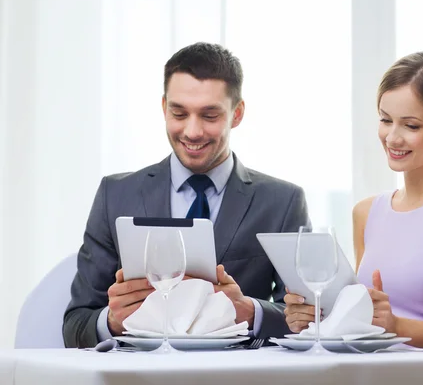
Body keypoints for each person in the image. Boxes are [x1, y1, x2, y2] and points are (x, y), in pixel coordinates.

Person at [63, 42, 309, 348]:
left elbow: (310, 319)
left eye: (209, 116)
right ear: (164, 107)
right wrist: (112, 321)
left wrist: (252, 312)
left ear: (237, 113)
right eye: (179, 113)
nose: (192, 132)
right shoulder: (115, 195)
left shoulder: (282, 202)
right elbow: (75, 325)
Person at [284, 51, 423, 350]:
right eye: (386, 120)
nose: (392, 137)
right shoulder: (366, 212)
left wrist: (398, 327)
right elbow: (366, 318)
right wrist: (313, 318)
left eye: (411, 126)